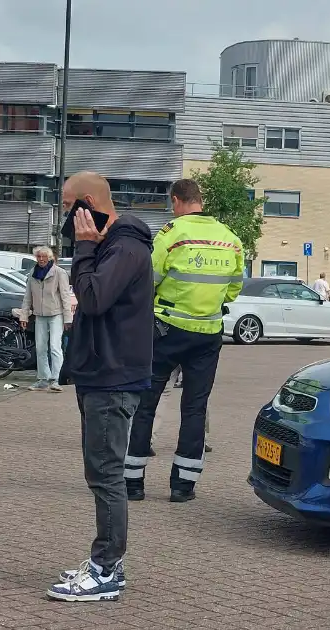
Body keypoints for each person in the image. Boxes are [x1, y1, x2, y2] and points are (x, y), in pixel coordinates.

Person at [47, 171, 154, 603]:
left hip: (114, 377)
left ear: (87, 203)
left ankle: (107, 567)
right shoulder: (114, 245)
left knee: (107, 474)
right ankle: (107, 562)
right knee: (100, 471)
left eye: (68, 205)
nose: (65, 215)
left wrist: (85, 248)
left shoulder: (125, 246)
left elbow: (92, 298)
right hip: (100, 373)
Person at [124, 178, 244, 503]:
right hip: (207, 334)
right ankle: (183, 486)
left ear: (177, 200)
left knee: (145, 403)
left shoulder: (171, 233)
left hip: (166, 329)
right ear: (201, 200)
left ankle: (133, 483)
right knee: (194, 408)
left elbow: (151, 278)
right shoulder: (231, 239)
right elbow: (234, 289)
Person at [20, 246, 73, 392]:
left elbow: (65, 296)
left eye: (44, 257)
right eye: (38, 257)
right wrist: (24, 315)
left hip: (56, 313)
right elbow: (27, 297)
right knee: (41, 347)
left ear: (50, 258)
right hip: (40, 314)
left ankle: (56, 379)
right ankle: (43, 379)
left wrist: (68, 318)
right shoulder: (33, 273)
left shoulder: (59, 273)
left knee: (55, 346)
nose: (41, 259)